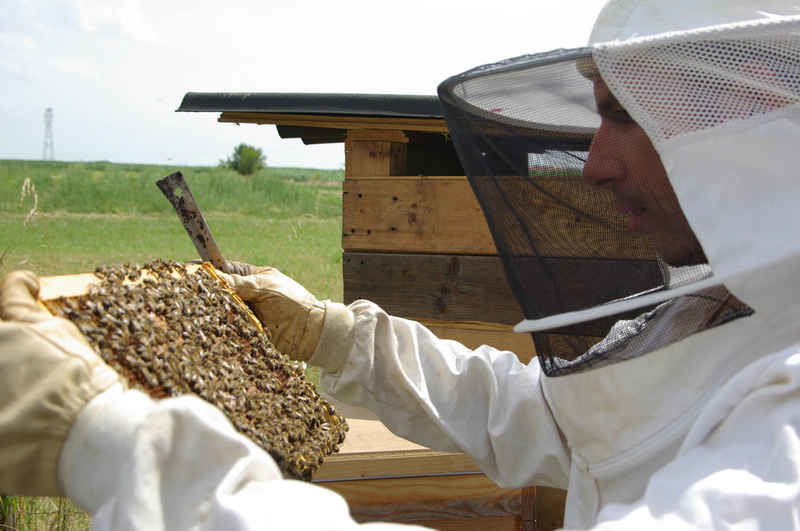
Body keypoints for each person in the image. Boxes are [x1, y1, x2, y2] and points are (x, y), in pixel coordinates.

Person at [3, 1, 800, 529]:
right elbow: (551, 415)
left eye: (624, 117)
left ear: (751, 103)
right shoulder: (734, 304)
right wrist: (336, 336)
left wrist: (111, 443)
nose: (591, 165)